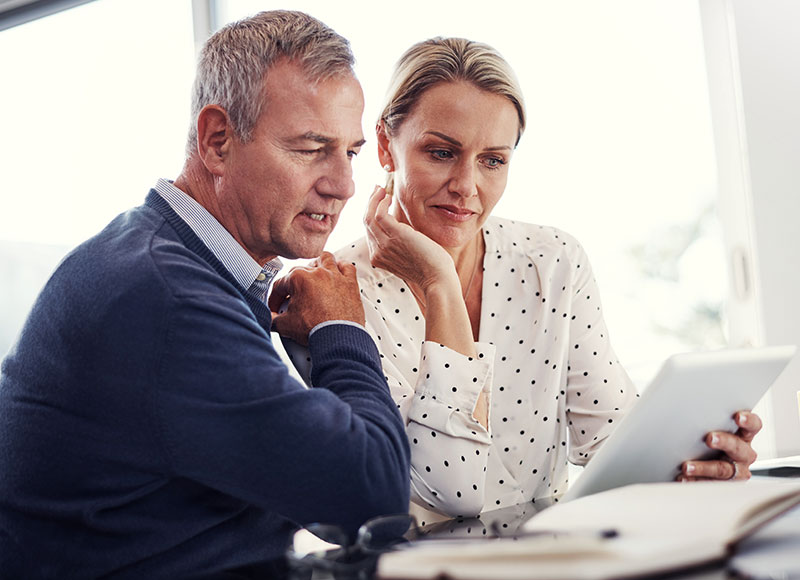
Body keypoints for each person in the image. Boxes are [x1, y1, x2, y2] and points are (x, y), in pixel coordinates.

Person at [0, 10, 410, 578]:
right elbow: (375, 501)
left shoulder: (160, 254)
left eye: (351, 152)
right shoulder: (168, 299)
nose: (342, 185)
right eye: (311, 148)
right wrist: (342, 330)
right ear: (217, 141)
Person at [331, 36, 761, 524]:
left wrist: (696, 459)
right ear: (387, 147)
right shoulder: (338, 294)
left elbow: (608, 438)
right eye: (441, 152)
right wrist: (439, 280)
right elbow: (451, 490)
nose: (467, 186)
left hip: (552, 560)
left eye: (493, 160)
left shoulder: (553, 262)